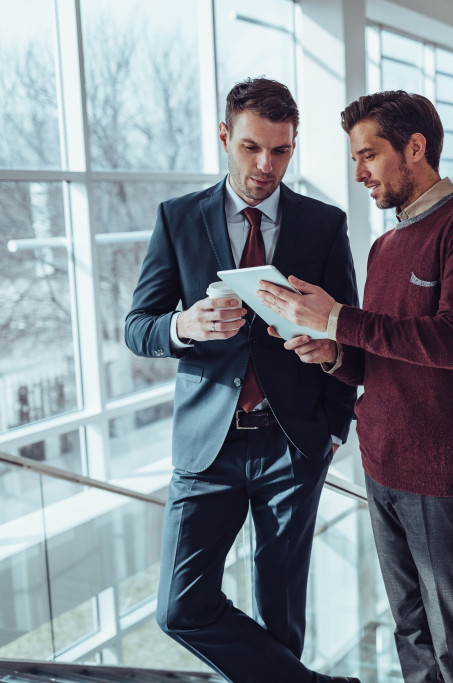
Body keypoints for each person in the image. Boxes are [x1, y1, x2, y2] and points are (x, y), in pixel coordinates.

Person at [257, 90, 453, 683]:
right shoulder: (385, 245)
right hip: (383, 466)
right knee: (411, 631)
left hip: (447, 475)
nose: (358, 173)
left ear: (415, 148)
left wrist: (338, 319)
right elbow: (380, 359)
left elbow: (451, 343)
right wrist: (333, 352)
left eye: (369, 155)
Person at [124, 78, 360, 683]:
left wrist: (332, 428)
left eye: (281, 151)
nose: (266, 165)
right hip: (208, 447)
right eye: (253, 147)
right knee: (180, 608)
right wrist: (185, 324)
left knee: (281, 616)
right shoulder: (178, 219)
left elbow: (350, 340)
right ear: (225, 136)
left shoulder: (324, 225)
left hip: (294, 445)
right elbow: (137, 328)